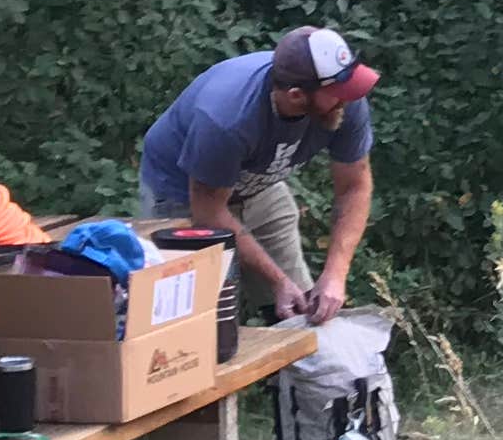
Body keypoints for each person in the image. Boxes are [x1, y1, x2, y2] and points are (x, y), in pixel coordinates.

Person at [139, 25, 378, 323]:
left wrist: (335, 274)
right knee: (199, 327)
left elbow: (355, 186)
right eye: (338, 93)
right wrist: (277, 280)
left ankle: (292, 358)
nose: (348, 99)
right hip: (184, 194)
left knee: (303, 313)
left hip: (259, 186)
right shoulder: (226, 119)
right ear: (296, 96)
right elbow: (208, 212)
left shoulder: (343, 101)